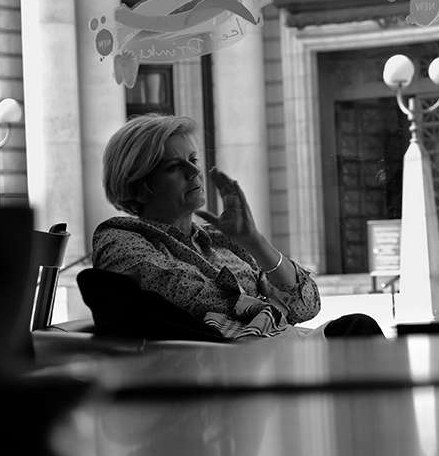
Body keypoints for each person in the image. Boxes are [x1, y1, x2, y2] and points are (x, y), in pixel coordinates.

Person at [93, 114, 383, 339]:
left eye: (193, 160)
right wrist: (265, 303)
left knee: (358, 329)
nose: (195, 171)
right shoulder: (120, 237)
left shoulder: (223, 239)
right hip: (220, 366)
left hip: (276, 350)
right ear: (140, 188)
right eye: (174, 167)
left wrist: (254, 240)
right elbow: (180, 295)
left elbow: (306, 305)